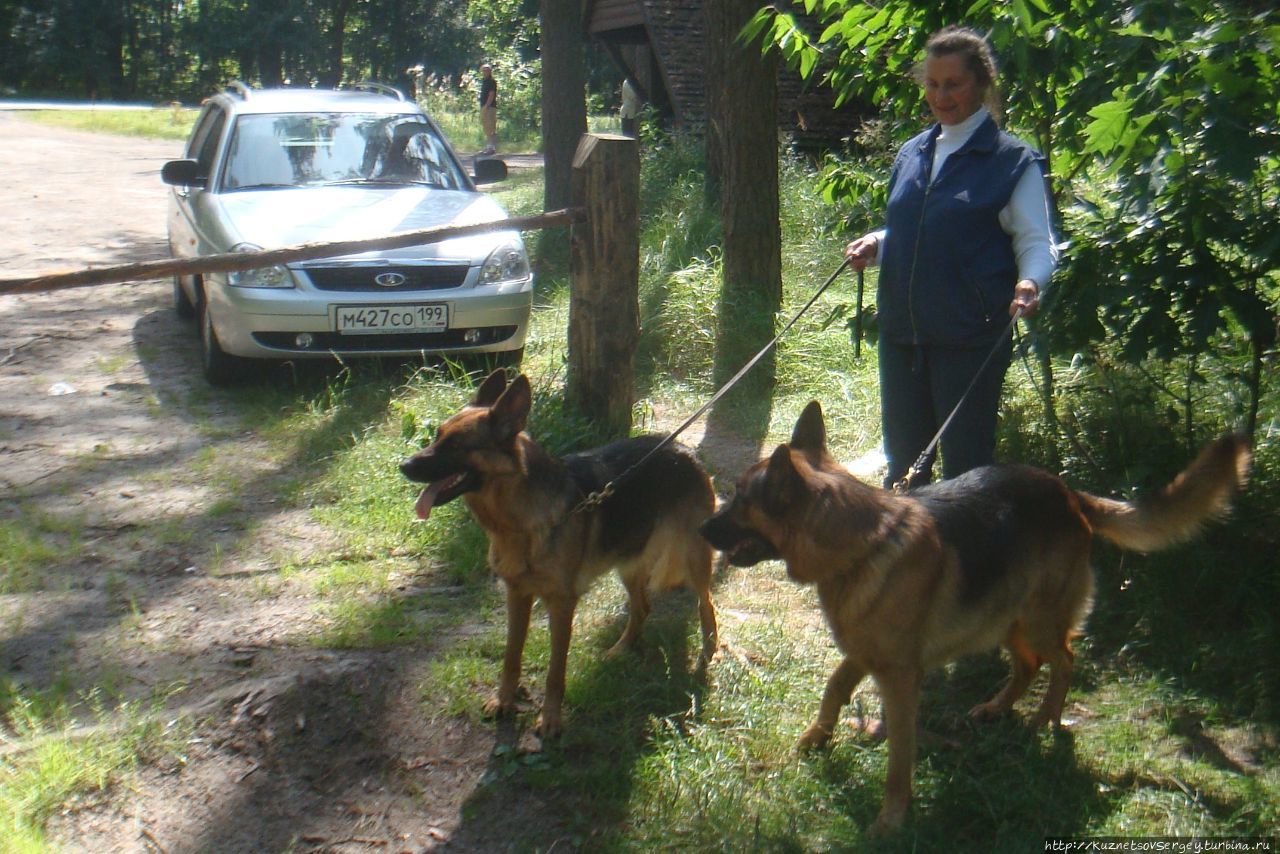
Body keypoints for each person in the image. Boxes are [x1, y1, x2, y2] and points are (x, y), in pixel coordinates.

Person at [844, 25, 1057, 490]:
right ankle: (906, 560)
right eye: (933, 84)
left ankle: (968, 561)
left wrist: (1031, 282)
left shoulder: (1012, 161)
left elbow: (1037, 241)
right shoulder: (913, 152)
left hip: (969, 340)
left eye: (953, 84)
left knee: (965, 475)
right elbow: (911, 228)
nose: (941, 96)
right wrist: (877, 244)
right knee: (903, 469)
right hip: (903, 337)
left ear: (980, 83)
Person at [478, 63, 498, 155]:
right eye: (483, 70)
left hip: (489, 107)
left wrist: (487, 106)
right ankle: (488, 147)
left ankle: (492, 147)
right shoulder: (484, 81)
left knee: (490, 127)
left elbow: (491, 94)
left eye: (486, 70)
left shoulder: (491, 81)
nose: (485, 72)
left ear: (490, 71)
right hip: (484, 106)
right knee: (486, 127)